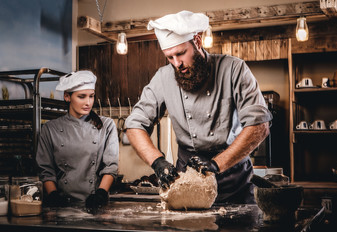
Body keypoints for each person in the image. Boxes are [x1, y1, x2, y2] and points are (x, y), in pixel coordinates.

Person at [125, 10, 272, 204]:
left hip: (234, 182)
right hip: (187, 182)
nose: (177, 64)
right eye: (169, 57)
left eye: (180, 53)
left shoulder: (234, 69)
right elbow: (134, 124)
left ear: (197, 41)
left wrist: (215, 164)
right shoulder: (163, 78)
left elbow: (259, 126)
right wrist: (157, 161)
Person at [36, 70, 119, 209]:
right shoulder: (51, 129)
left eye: (91, 96)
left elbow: (111, 167)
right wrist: (53, 195)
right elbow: (46, 170)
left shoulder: (107, 126)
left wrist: (101, 193)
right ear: (67, 97)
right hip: (62, 206)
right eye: (82, 96)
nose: (88, 102)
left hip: (95, 205)